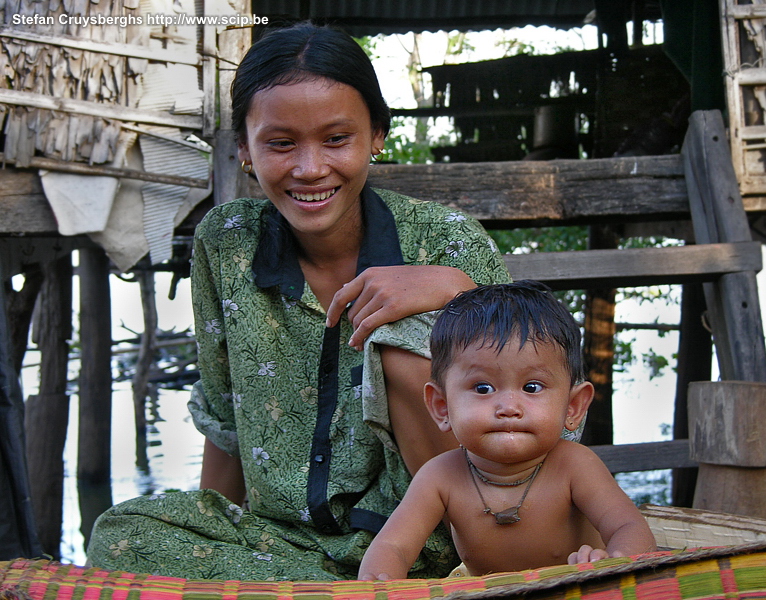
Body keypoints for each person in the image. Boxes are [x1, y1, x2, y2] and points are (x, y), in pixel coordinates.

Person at [85, 22, 511, 580]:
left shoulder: (445, 239)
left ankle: (387, 579)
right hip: (284, 543)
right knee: (118, 536)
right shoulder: (227, 240)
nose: (310, 169)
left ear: (377, 135)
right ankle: (333, 590)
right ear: (243, 146)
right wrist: (214, 535)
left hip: (430, 538)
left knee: (402, 339)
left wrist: (459, 291)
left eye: (337, 139)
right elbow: (224, 417)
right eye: (280, 143)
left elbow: (530, 390)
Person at [358, 281, 656, 580]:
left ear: (573, 407)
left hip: (574, 589)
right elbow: (392, 547)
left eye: (532, 387)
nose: (508, 407)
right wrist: (380, 586)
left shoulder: (575, 466)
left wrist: (614, 563)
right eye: (483, 388)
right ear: (442, 406)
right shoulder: (440, 477)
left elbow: (629, 529)